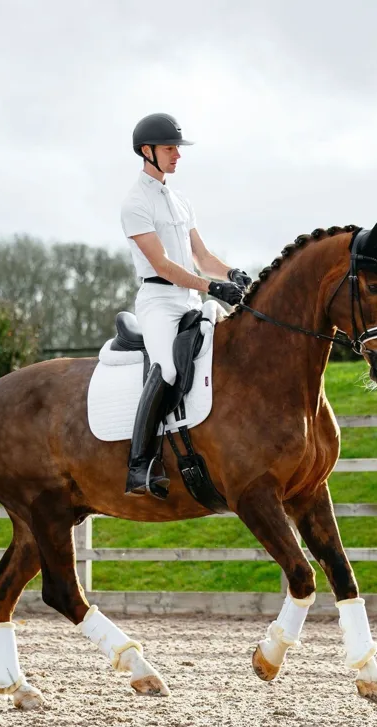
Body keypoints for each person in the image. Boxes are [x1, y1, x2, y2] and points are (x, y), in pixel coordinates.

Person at [120, 112, 252, 498]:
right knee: (167, 368)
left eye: (177, 148)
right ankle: (139, 465)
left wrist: (231, 274)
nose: (177, 155)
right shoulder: (135, 203)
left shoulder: (180, 202)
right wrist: (212, 286)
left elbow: (202, 257)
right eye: (169, 149)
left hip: (191, 299)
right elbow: (162, 265)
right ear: (147, 151)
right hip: (159, 302)